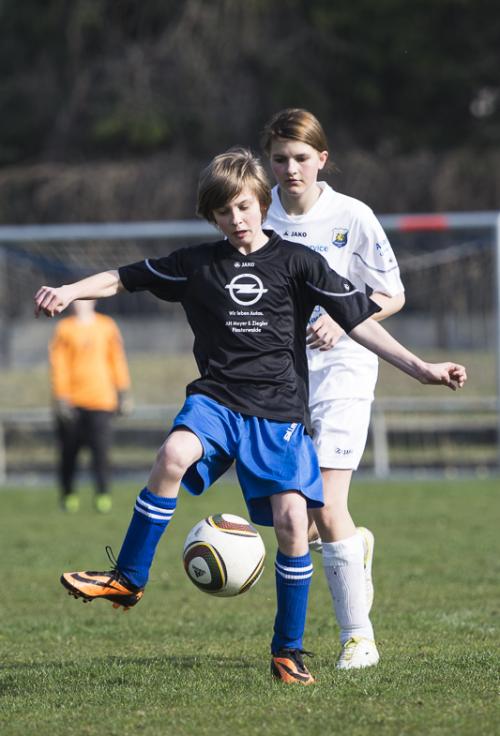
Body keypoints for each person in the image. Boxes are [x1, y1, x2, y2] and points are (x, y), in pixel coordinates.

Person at [34, 147, 466, 686]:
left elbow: (359, 320)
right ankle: (128, 577)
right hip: (217, 400)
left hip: (278, 411)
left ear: (261, 203)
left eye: (243, 207)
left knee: (292, 524)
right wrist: (69, 290)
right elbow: (123, 278)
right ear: (211, 216)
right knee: (173, 454)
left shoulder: (299, 263)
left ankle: (288, 651)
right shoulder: (197, 264)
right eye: (224, 212)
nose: (236, 220)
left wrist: (421, 368)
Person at [261, 108, 406, 670]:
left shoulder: (353, 216)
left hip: (345, 369)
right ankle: (353, 546)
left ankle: (359, 639)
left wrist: (346, 320)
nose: (291, 169)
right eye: (280, 159)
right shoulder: (257, 214)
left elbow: (391, 294)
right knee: (300, 516)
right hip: (280, 377)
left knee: (326, 501)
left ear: (322, 158)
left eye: (301, 158)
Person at [49, 298, 132, 513]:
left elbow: (117, 359)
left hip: (102, 401)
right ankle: (68, 495)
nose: (80, 304)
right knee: (69, 453)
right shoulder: (64, 328)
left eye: (84, 299)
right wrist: (61, 397)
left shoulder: (106, 326)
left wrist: (122, 392)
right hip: (72, 402)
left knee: (101, 453)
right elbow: (59, 364)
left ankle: (103, 494)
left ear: (93, 301)